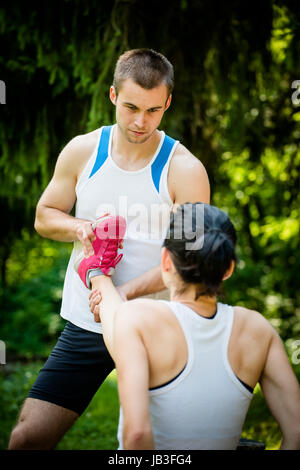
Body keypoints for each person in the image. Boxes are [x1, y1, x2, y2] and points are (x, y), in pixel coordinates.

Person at [8, 49, 210, 449]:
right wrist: (82, 227)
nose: (140, 121)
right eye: (132, 106)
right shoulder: (83, 151)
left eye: (153, 110)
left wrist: (121, 296)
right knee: (26, 439)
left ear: (167, 103)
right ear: (113, 95)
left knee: (155, 448)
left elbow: (192, 259)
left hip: (160, 325)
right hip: (89, 323)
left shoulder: (185, 169)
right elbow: (45, 215)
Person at [88, 203, 300, 450]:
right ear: (228, 269)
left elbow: (136, 435)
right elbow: (297, 431)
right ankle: (96, 269)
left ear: (166, 260)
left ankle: (96, 267)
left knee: (118, 316)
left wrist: (98, 272)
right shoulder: (258, 329)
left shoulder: (137, 318)